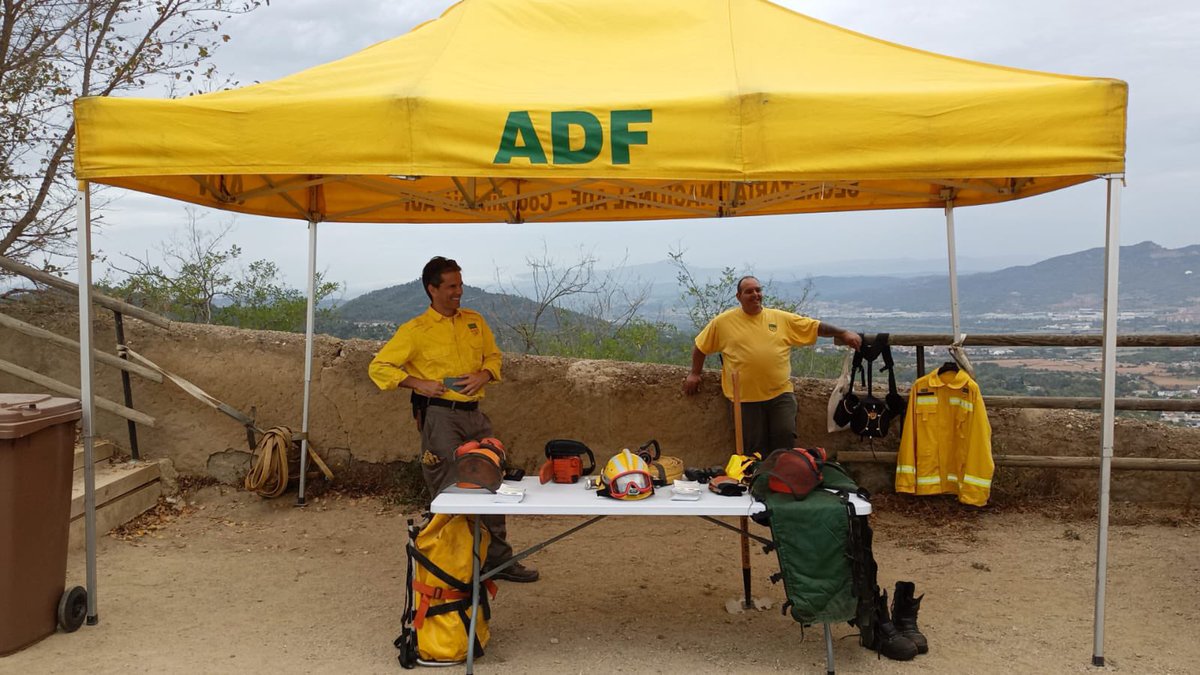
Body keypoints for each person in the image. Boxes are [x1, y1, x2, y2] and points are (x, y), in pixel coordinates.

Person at [369, 256, 538, 583]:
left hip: (476, 416)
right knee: (448, 489)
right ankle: (447, 564)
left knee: (492, 484)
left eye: (460, 284)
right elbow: (379, 367)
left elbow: (494, 356)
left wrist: (485, 374)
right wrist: (418, 383)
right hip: (441, 418)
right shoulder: (415, 331)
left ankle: (498, 561)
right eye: (451, 286)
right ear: (432, 289)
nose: (459, 291)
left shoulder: (474, 321)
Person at [682, 275, 862, 455]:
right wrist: (695, 374)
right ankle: (758, 481)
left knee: (785, 441)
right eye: (749, 291)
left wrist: (844, 333)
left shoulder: (779, 318)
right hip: (744, 399)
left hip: (780, 395)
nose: (755, 294)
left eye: (758, 290)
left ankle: (781, 481)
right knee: (753, 451)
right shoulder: (723, 322)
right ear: (738, 296)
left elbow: (814, 327)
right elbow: (700, 347)